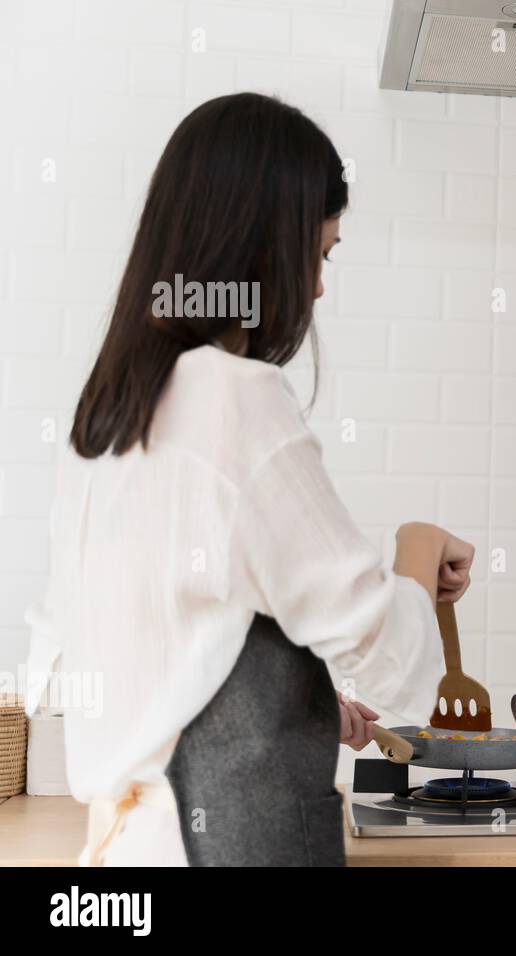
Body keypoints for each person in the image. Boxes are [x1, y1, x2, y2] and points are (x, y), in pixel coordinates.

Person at [22, 92, 471, 866]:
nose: (321, 288)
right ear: (264, 244)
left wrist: (287, 702)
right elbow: (390, 661)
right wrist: (418, 547)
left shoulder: (102, 420)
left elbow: (73, 664)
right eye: (321, 253)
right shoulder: (233, 397)